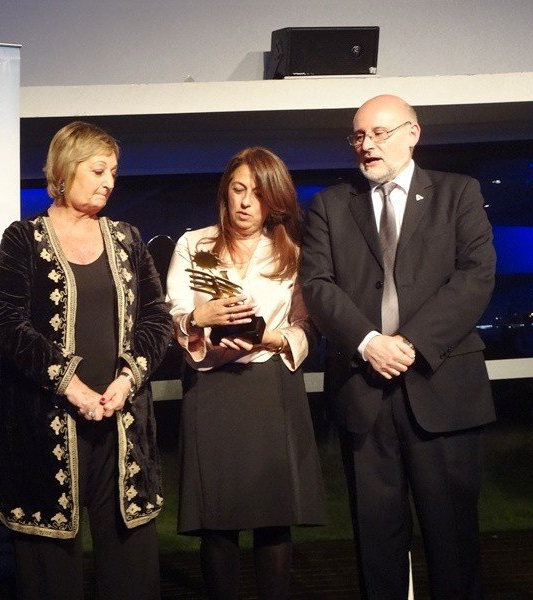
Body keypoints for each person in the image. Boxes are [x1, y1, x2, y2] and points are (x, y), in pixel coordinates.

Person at [300, 94, 496, 599]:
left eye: (378, 133)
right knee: (377, 541)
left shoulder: (459, 194)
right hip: (364, 396)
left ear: (413, 133)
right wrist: (368, 343)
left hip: (442, 389)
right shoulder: (328, 205)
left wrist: (408, 343)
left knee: (453, 542)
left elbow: (476, 277)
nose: (366, 146)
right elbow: (318, 285)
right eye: (358, 136)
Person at [0, 121, 172, 599]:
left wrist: (129, 379)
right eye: (98, 169)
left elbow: (157, 318)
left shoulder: (128, 239)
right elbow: (5, 320)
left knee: (129, 565)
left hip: (122, 423)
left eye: (113, 171)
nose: (109, 181)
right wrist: (70, 384)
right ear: (66, 170)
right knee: (51, 573)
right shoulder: (23, 239)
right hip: (46, 424)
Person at [166, 147, 326, 600]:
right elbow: (174, 314)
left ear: (273, 201)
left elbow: (307, 328)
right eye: (238, 190)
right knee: (218, 522)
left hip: (270, 387)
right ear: (225, 191)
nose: (245, 202)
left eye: (257, 194)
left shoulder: (292, 254)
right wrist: (203, 319)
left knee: (273, 520)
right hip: (211, 388)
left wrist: (268, 338)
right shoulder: (194, 245)